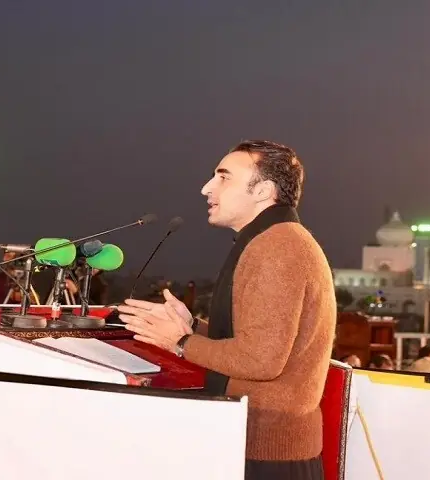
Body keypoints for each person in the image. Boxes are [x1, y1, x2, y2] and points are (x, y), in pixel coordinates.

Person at [117, 139, 335, 479]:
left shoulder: (277, 247)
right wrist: (192, 327)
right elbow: (260, 338)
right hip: (261, 444)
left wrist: (180, 342)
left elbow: (261, 360)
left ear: (263, 191)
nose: (207, 188)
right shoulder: (275, 240)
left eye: (223, 177)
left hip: (267, 454)